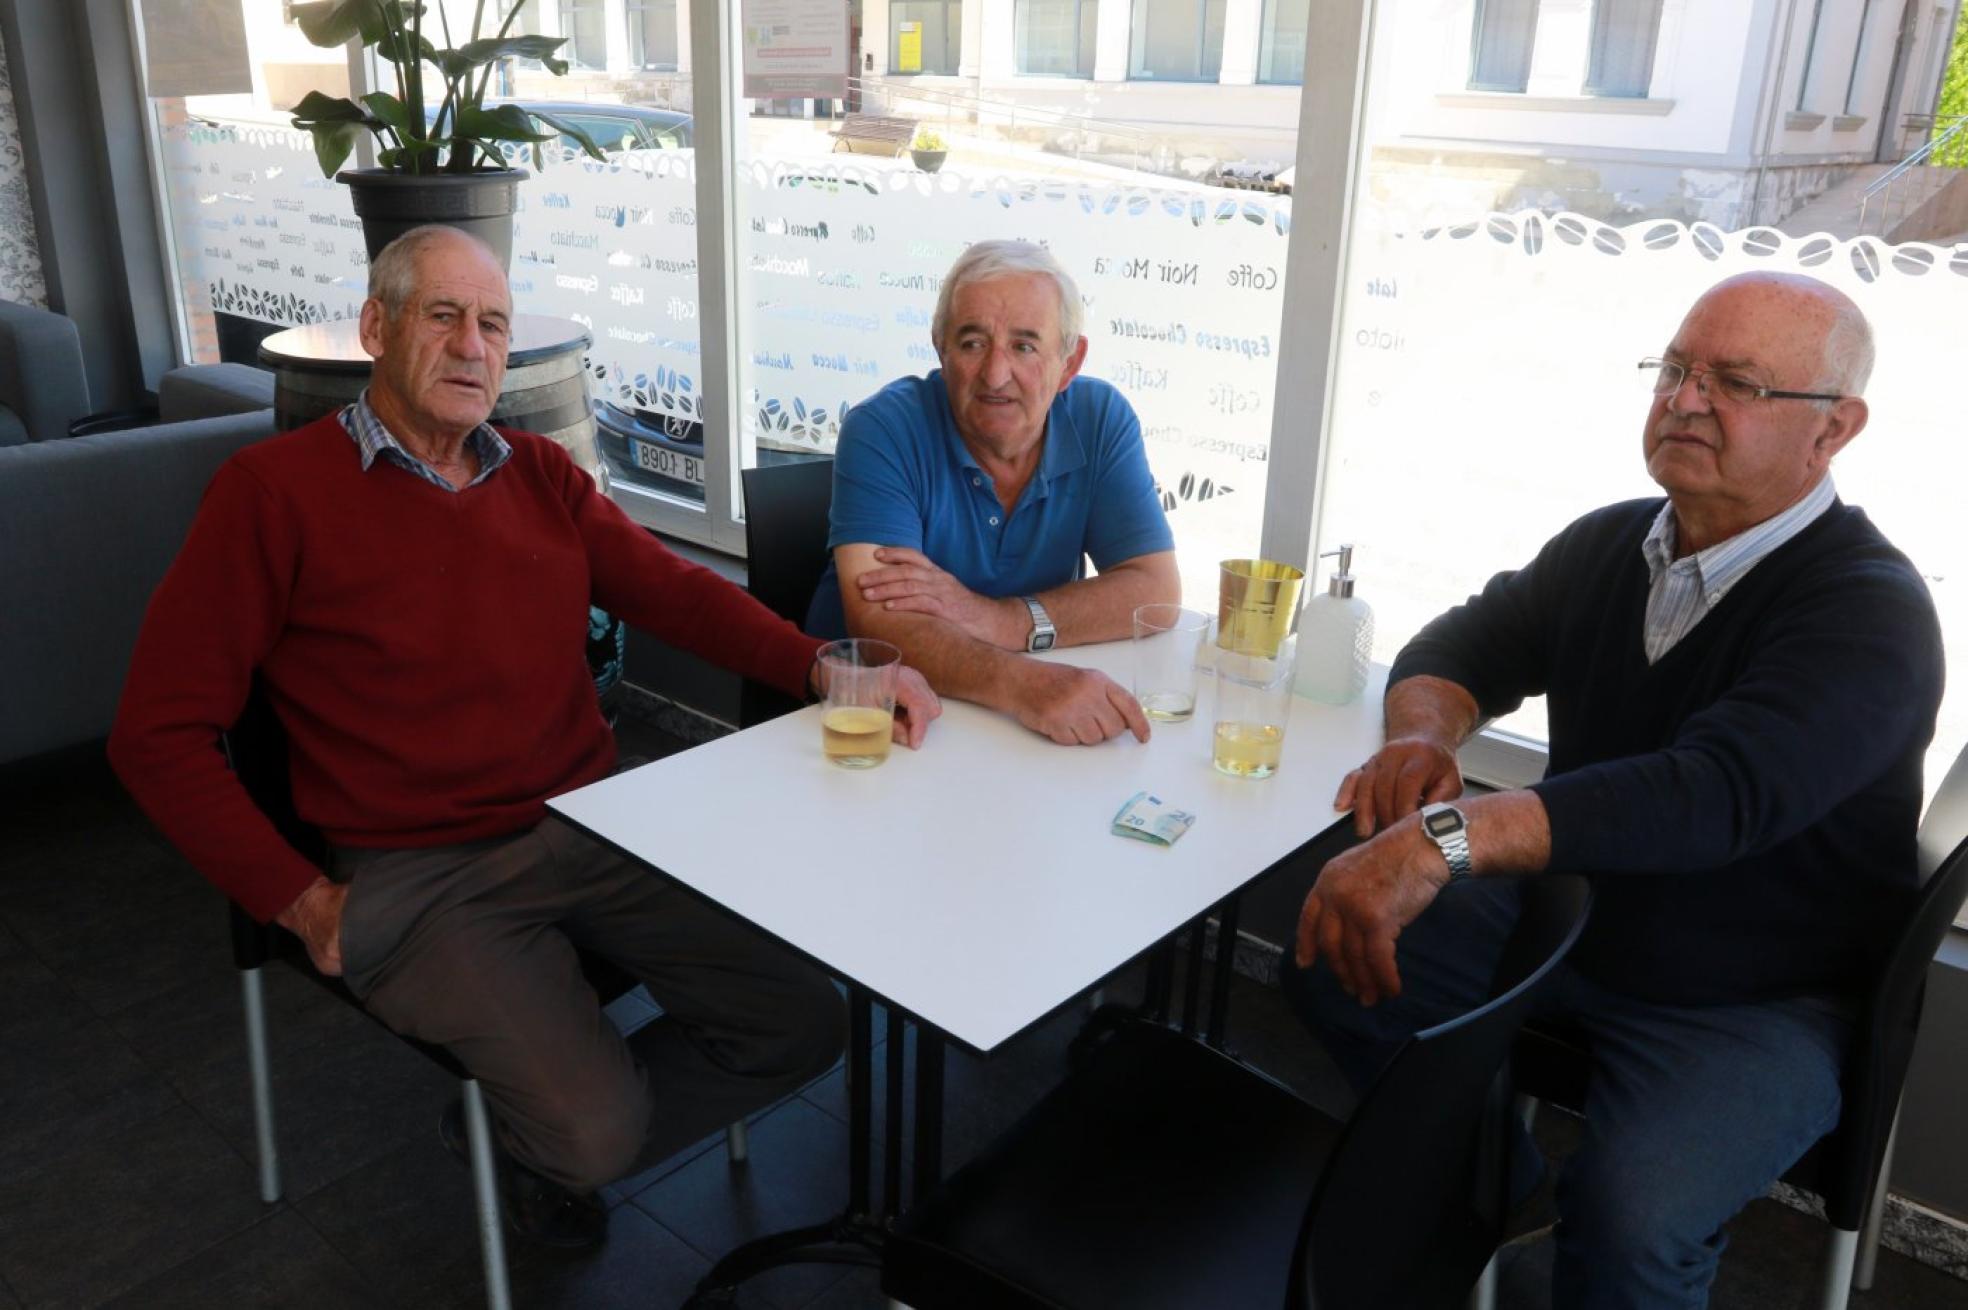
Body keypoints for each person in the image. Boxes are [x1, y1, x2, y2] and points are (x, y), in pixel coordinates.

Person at [108, 225, 940, 1249]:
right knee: (594, 1138)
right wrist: (299, 898)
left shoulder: (541, 473)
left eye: (492, 323)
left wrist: (824, 664)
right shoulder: (272, 495)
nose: (472, 346)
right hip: (421, 871)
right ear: (377, 327)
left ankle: (524, 1129)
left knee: (807, 1019)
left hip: (593, 820)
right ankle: (559, 1133)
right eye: (442, 316)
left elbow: (678, 592)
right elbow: (154, 732)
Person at [1282, 272, 1943, 1309]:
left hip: (1755, 992)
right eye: (1676, 369)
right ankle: (1503, 1186)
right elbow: (1463, 644)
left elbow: (1712, 793)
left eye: (1736, 382)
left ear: (1833, 431)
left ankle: (1517, 1199)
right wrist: (1423, 732)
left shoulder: (1871, 614)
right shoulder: (1616, 541)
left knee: (1633, 1226)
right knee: (1329, 943)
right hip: (1580, 915)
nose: (1685, 400)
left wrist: (1439, 838)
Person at [807, 239, 1180, 747]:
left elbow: (1155, 594)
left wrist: (995, 619)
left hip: (1019, 729)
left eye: (1024, 346)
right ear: (940, 346)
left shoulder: (1100, 420)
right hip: (880, 727)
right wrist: (1025, 684)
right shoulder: (883, 428)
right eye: (972, 343)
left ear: (1069, 362)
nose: (996, 374)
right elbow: (883, 627)